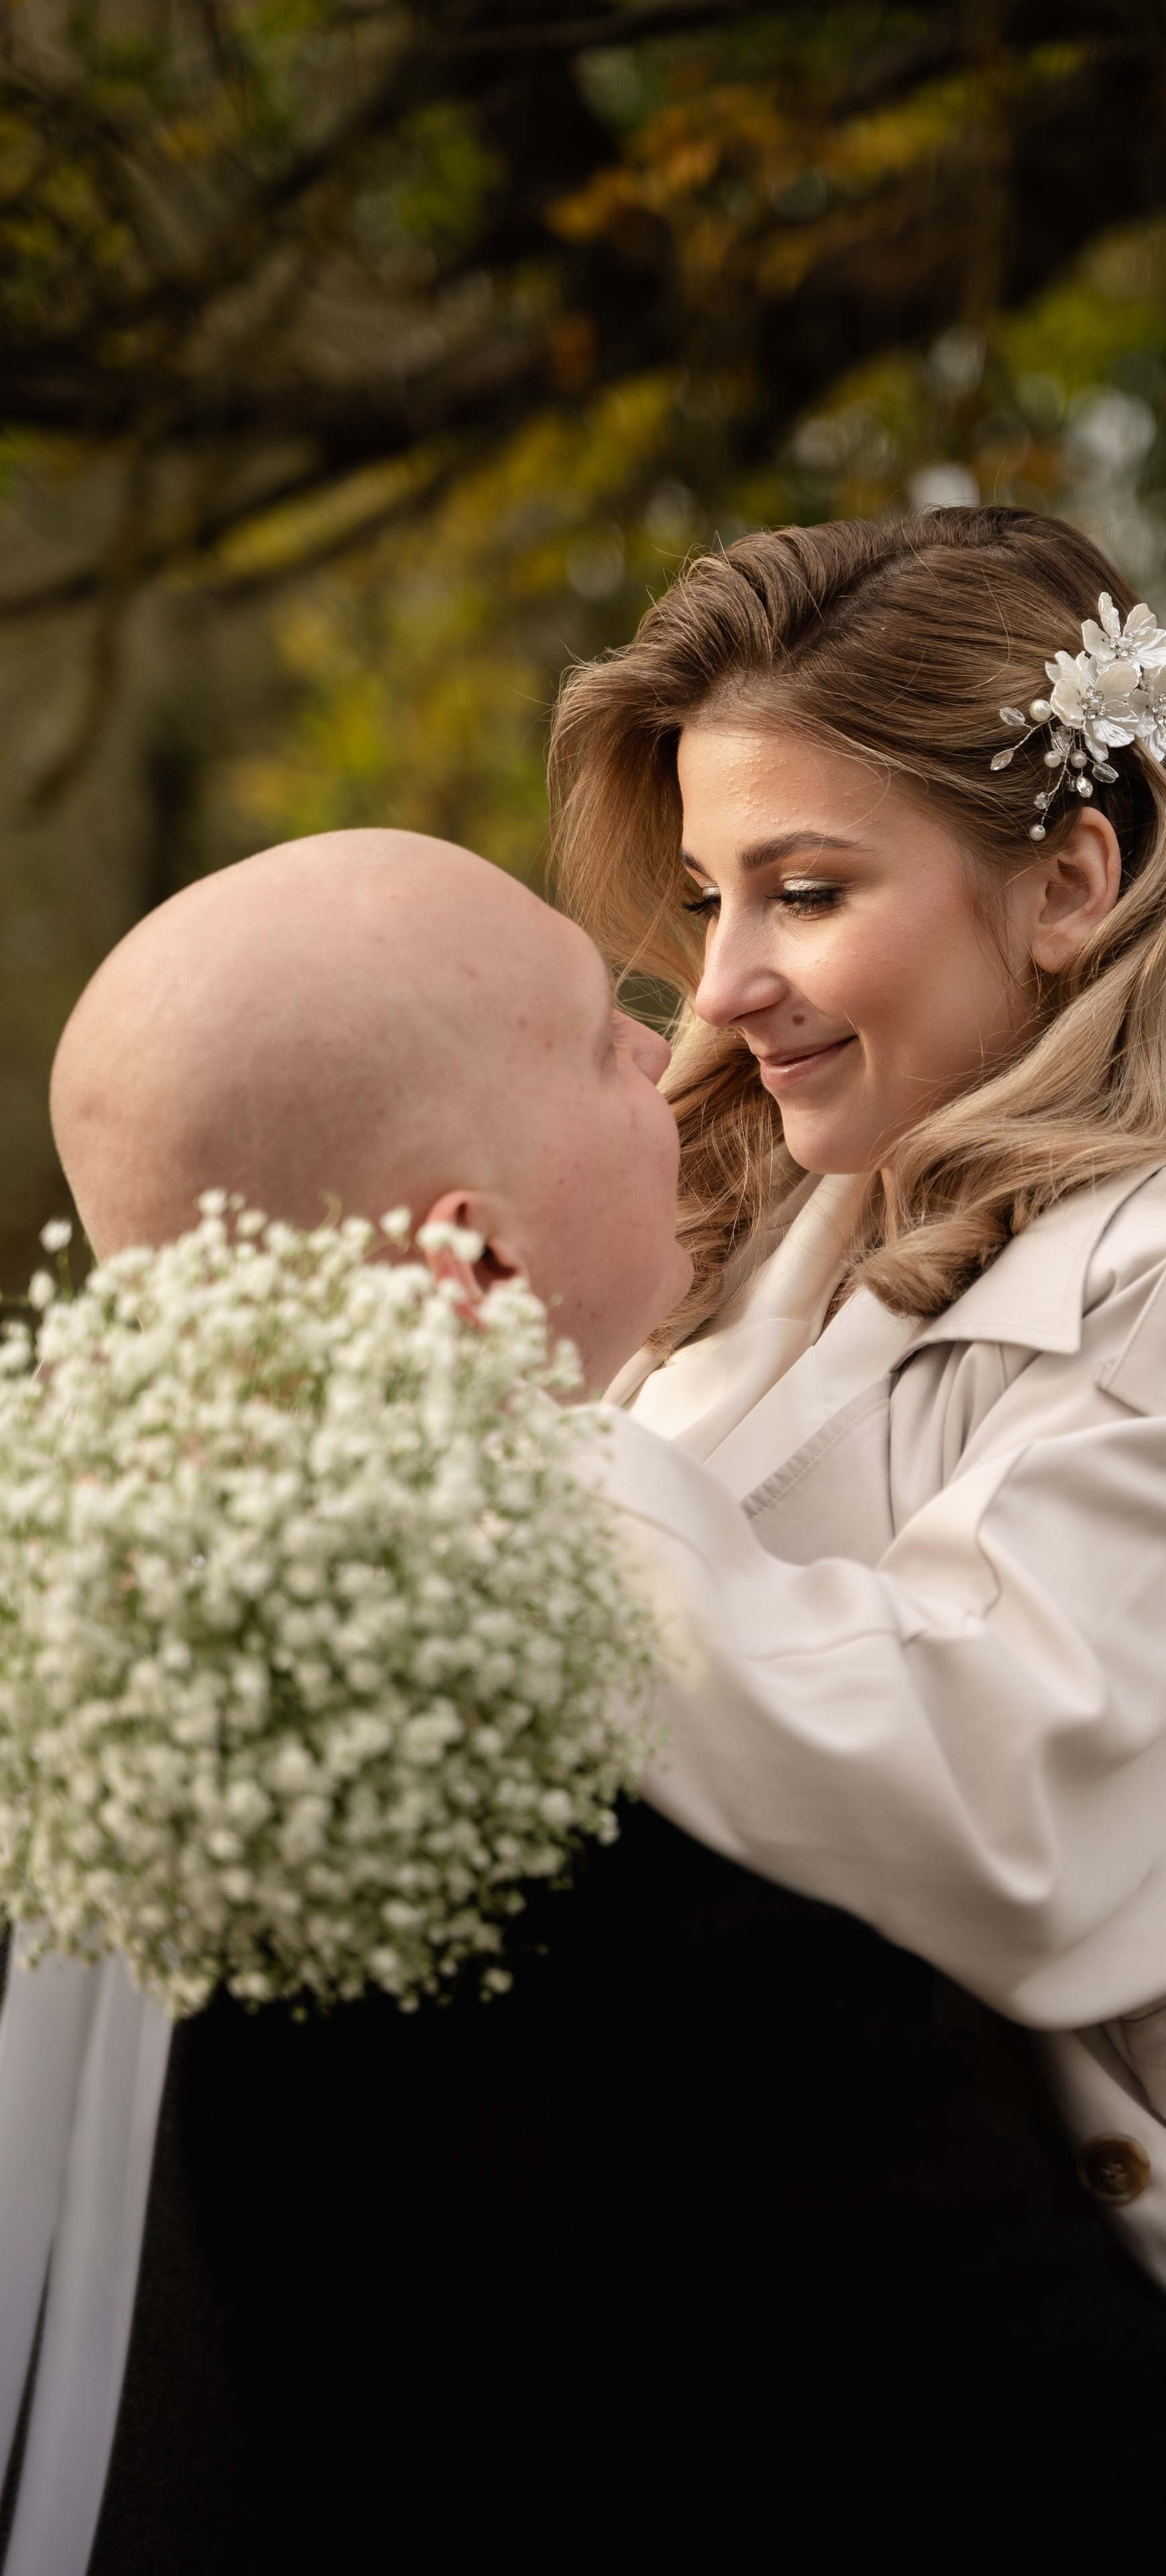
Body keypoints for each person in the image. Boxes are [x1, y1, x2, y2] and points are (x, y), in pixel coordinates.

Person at [546, 506, 1166, 2573]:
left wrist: (493, 1487)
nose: (726, 982)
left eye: (806, 889)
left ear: (1069, 883)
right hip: (737, 2320)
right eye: (707, 898)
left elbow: (984, 1791)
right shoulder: (731, 1244)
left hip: (1059, 2370)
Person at [1, 830, 694, 2576]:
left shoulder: (115, 1732)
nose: (677, 1053)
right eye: (612, 1033)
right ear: (471, 1264)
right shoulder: (595, 1811)